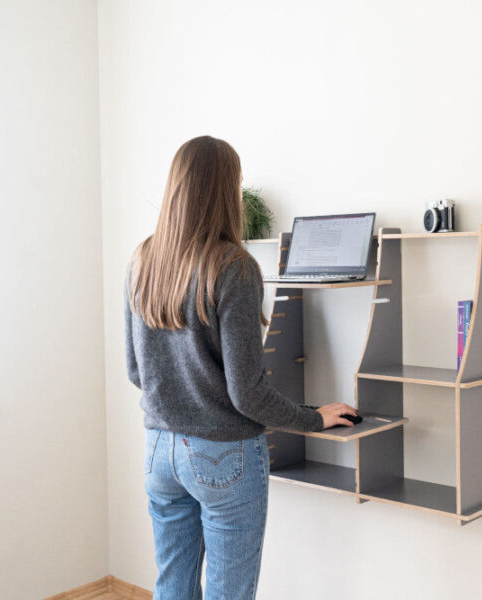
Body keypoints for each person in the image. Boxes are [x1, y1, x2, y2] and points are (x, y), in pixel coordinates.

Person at [124, 135, 358, 599]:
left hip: (158, 450)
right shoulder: (234, 266)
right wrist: (314, 417)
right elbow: (246, 393)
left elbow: (136, 370)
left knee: (173, 586)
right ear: (223, 191)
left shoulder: (143, 259)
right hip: (222, 455)